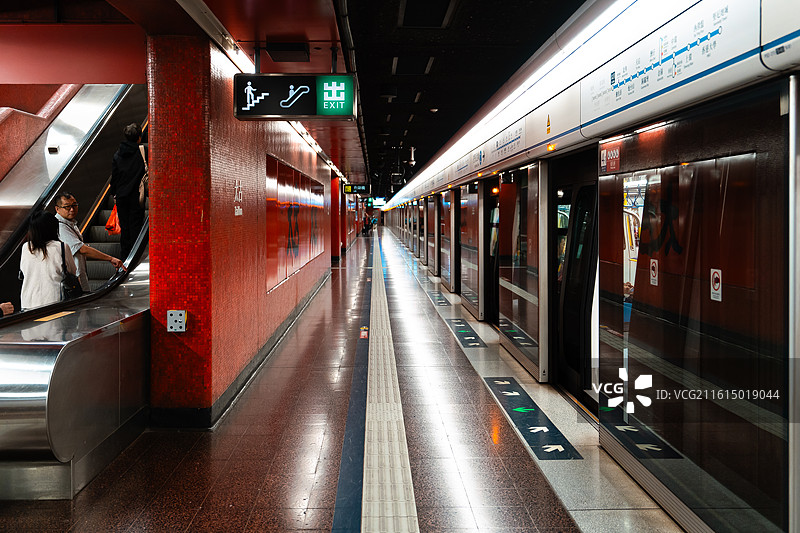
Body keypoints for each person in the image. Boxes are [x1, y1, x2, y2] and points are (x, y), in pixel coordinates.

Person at [55, 192, 125, 293]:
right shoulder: (60, 227)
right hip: (72, 280)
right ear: (57, 209)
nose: (72, 209)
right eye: (67, 207)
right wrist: (110, 258)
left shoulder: (70, 223)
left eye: (74, 205)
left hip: (79, 275)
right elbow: (82, 249)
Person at [19, 211, 76, 310]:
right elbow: (72, 271)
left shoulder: (26, 247)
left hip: (28, 301)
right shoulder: (61, 247)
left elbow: (23, 271)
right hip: (53, 301)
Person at [110, 122, 147, 259]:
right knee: (136, 228)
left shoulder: (117, 155)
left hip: (121, 197)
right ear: (139, 137)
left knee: (125, 229)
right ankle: (136, 257)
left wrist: (114, 193)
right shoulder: (142, 152)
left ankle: (125, 258)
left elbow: (115, 177)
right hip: (136, 196)